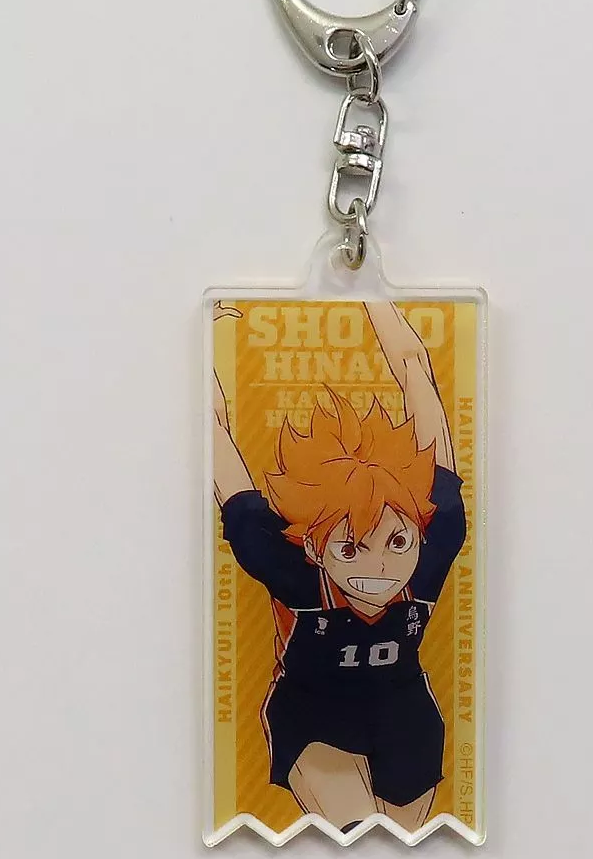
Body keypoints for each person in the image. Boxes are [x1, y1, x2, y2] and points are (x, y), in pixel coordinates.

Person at [212, 301, 465, 833]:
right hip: (314, 717)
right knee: (355, 830)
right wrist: (202, 348)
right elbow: (212, 436)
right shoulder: (287, 566)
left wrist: (373, 294)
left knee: (399, 840)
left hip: (404, 718)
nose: (380, 567)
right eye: (350, 550)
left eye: (397, 542)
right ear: (313, 547)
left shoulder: (436, 534)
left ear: (418, 531)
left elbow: (415, 370)